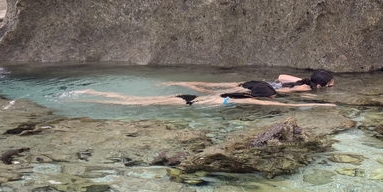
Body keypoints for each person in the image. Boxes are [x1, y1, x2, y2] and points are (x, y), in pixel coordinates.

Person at [71, 80, 334, 108]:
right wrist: (322, 107)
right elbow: (285, 107)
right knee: (134, 103)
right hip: (187, 104)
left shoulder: (238, 95)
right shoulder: (249, 102)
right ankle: (92, 96)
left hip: (188, 100)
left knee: (132, 101)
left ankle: (93, 91)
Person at [165, 70, 336, 94]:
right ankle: (190, 88)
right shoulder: (306, 88)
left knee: (221, 86)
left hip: (257, 82)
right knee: (213, 93)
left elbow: (282, 76)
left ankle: (184, 82)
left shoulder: (301, 81)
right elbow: (284, 91)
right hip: (263, 88)